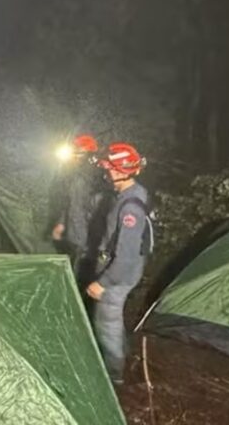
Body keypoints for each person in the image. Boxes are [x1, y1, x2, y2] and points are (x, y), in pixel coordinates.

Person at [87, 142, 152, 385]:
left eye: (110, 168)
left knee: (107, 324)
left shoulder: (130, 206)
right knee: (113, 320)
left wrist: (103, 282)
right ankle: (122, 359)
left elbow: (125, 255)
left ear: (120, 170)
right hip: (125, 270)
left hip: (119, 274)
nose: (107, 173)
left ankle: (112, 376)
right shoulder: (132, 193)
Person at [51, 134, 106, 283]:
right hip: (75, 235)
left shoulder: (95, 179)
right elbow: (71, 202)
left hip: (85, 239)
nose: (73, 157)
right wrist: (62, 223)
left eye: (77, 153)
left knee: (79, 277)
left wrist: (86, 241)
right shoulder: (76, 175)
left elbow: (95, 211)